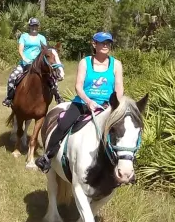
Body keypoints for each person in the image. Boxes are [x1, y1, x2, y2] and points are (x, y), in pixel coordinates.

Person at [35, 31, 124, 173]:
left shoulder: (116, 64)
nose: (106, 45)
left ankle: (124, 165)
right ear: (94, 44)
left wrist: (115, 105)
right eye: (102, 42)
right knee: (63, 125)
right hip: (83, 104)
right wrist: (88, 102)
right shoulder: (85, 62)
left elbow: (119, 87)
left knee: (124, 130)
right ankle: (47, 157)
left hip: (107, 106)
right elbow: (78, 86)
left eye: (108, 42)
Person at [2, 17, 63, 107]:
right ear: (29, 27)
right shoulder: (24, 36)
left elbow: (45, 51)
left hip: (38, 65)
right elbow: (20, 50)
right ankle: (9, 98)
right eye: (32, 26)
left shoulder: (41, 38)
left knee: (52, 79)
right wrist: (24, 59)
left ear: (38, 27)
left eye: (36, 26)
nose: (34, 28)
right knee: (12, 77)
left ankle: (58, 97)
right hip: (25, 63)